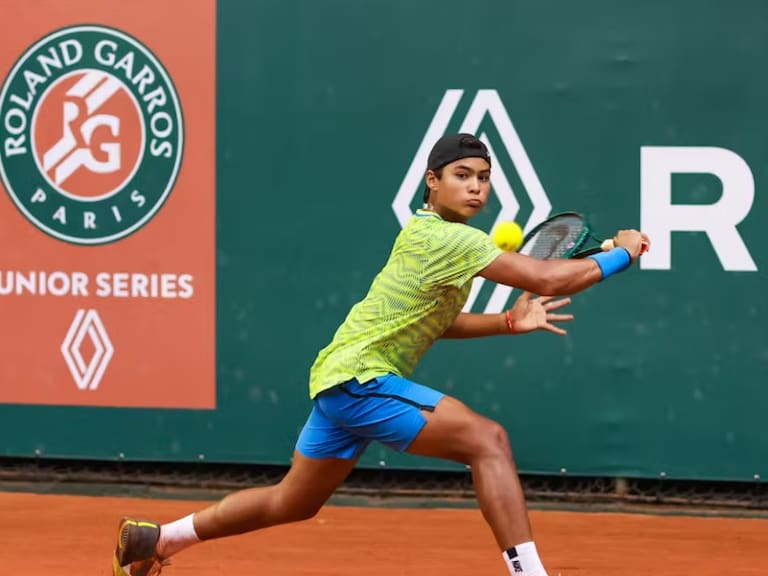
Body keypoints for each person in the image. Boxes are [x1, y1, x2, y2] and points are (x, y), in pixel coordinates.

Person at [112, 133, 649, 576]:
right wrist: (624, 253)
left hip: (340, 379)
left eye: (483, 178)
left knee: (292, 503)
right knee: (488, 441)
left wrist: (509, 321)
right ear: (432, 182)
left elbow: (437, 324)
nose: (475, 186)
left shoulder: (435, 236)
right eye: (462, 175)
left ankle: (157, 541)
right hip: (361, 379)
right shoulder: (452, 241)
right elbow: (548, 275)